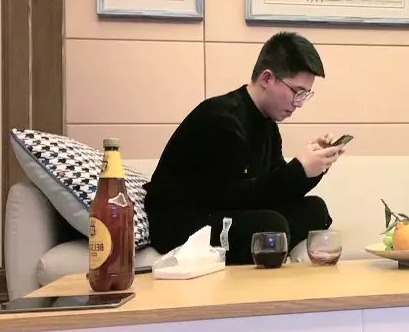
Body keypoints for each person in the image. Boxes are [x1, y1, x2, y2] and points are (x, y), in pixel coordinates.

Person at [142, 32, 345, 264]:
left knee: (314, 209)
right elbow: (233, 197)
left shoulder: (268, 125)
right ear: (267, 79)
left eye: (305, 95)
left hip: (225, 209)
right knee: (270, 226)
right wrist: (299, 169)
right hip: (182, 221)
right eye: (296, 91)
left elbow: (276, 190)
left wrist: (315, 166)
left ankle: (273, 253)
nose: (298, 103)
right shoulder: (220, 118)